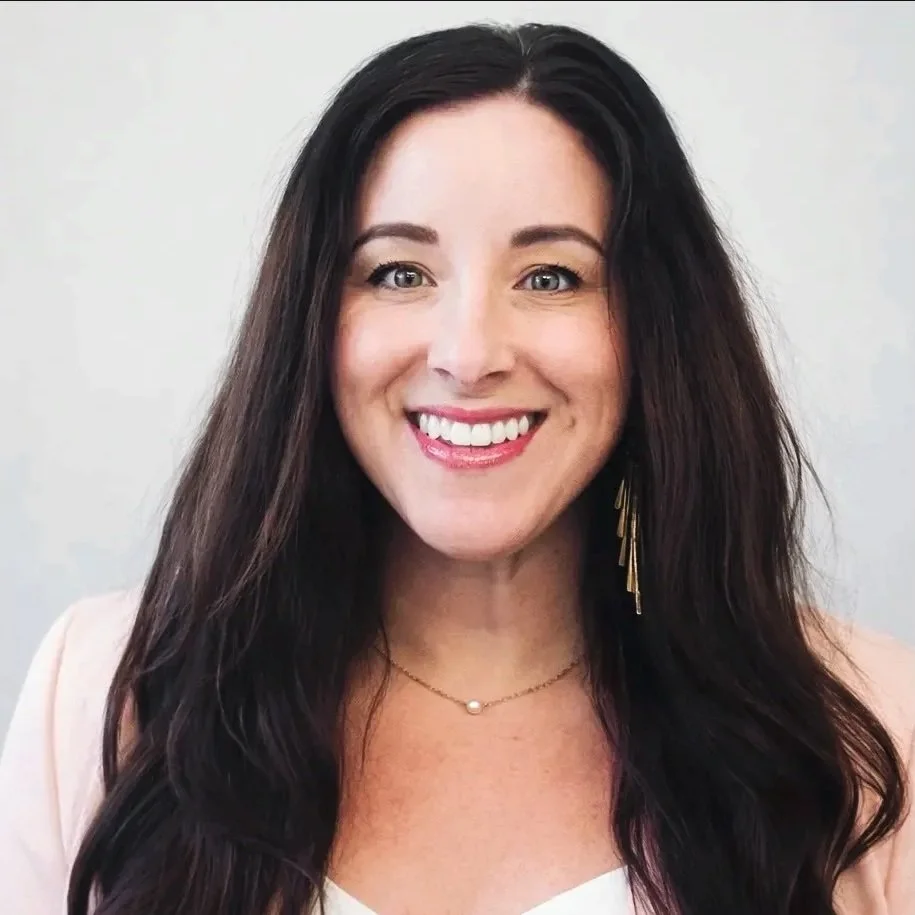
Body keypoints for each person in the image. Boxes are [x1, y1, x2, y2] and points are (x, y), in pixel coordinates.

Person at [0, 21, 912, 915]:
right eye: (398, 273)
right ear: (311, 321)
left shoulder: (872, 728)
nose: (468, 352)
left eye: (550, 276)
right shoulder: (104, 696)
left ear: (656, 332)